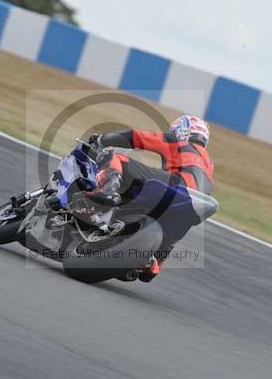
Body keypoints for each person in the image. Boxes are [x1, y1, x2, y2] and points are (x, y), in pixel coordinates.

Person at [86, 115, 214, 282]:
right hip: (194, 207)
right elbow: (173, 238)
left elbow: (135, 137)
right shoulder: (209, 166)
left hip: (175, 188)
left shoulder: (177, 141)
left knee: (115, 157)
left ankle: (107, 189)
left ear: (181, 131)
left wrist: (103, 140)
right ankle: (152, 264)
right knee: (170, 236)